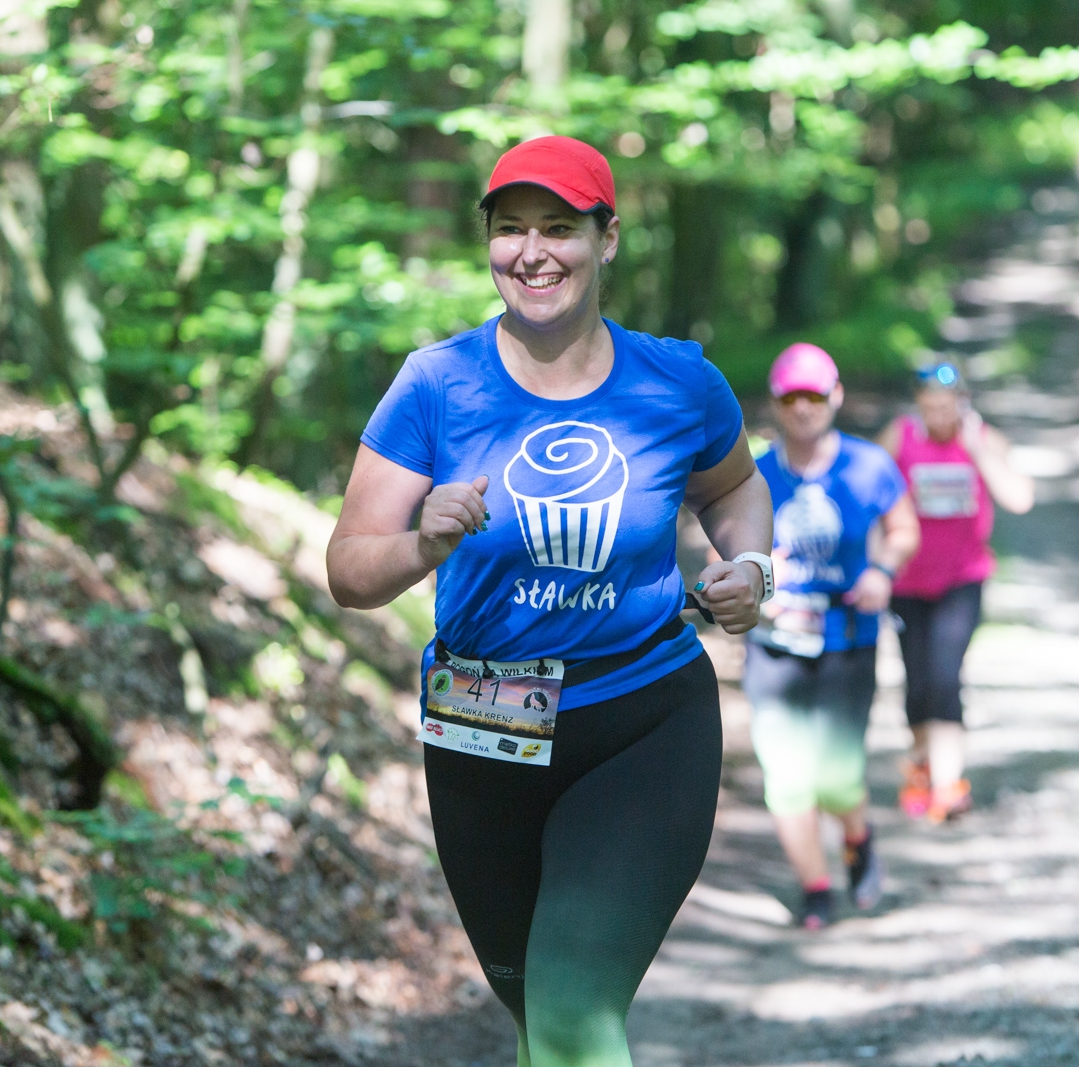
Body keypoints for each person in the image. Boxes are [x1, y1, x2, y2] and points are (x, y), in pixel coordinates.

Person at [325, 135, 774, 1067]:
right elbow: (350, 572)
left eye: (560, 228)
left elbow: (734, 489)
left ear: (606, 240)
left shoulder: (676, 379)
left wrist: (754, 567)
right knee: (542, 1021)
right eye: (510, 229)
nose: (533, 251)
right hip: (481, 735)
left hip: (643, 724)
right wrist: (423, 543)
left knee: (571, 1009)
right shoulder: (436, 384)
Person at [745, 343, 920, 931]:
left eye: (815, 395)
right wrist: (751, 571)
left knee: (838, 774)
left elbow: (904, 530)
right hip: (776, 644)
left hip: (849, 638)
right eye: (791, 396)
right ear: (776, 402)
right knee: (787, 777)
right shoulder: (753, 473)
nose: (803, 407)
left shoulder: (869, 466)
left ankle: (858, 835)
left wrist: (881, 571)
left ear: (835, 397)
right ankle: (816, 889)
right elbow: (729, 543)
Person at [882, 361, 1034, 823]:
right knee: (918, 682)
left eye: (946, 407)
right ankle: (921, 764)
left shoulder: (983, 439)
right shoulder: (900, 437)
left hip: (962, 580)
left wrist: (978, 451)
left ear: (962, 403)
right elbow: (868, 491)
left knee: (947, 676)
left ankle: (949, 785)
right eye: (929, 407)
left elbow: (1020, 499)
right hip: (907, 581)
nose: (938, 416)